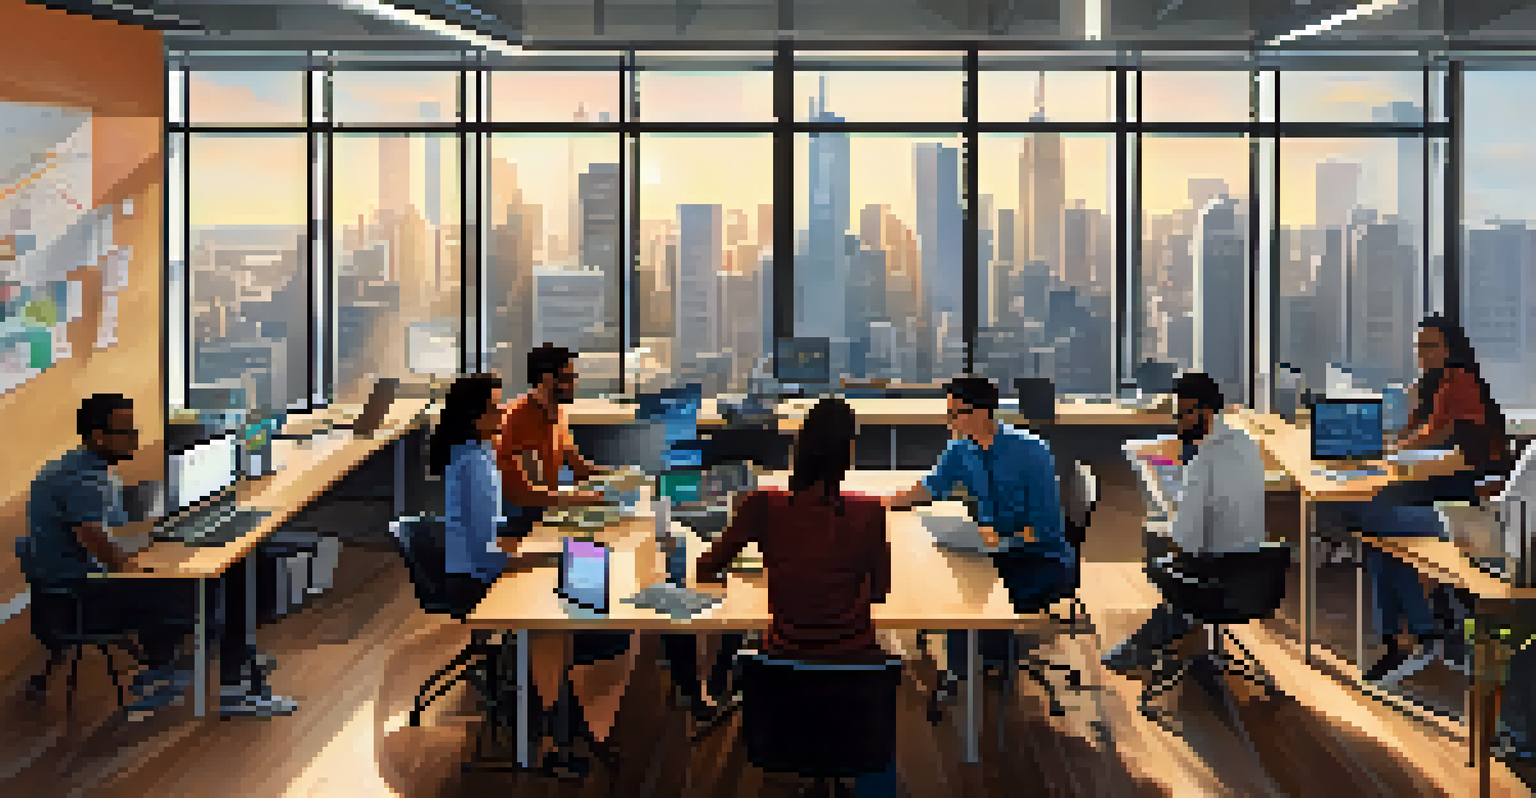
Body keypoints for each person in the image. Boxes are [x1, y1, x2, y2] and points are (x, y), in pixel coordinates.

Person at [22, 393, 297, 717]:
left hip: (77, 585)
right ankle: (235, 687)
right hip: (82, 599)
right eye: (126, 433)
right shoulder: (82, 482)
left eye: (135, 430)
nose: (135, 440)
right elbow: (110, 557)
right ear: (99, 436)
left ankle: (173, 665)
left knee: (235, 566)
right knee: (229, 578)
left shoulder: (79, 466)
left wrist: (158, 538)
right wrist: (165, 559)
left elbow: (111, 534)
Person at [696, 397, 899, 798]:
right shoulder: (869, 511)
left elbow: (706, 568)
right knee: (884, 671)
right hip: (855, 670)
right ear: (847, 454)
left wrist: (774, 565)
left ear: (799, 448)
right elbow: (880, 591)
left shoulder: (762, 505)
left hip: (781, 667)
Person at [1323, 315, 1513, 683]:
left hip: (1460, 501)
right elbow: (1419, 431)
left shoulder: (1459, 382)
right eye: (1419, 346)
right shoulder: (1435, 384)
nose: (1422, 353)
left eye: (1430, 346)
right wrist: (1392, 442)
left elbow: (1442, 439)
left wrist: (1391, 452)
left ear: (1449, 349)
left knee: (1371, 522)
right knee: (1380, 539)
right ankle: (1413, 636)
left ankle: (1413, 638)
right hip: (1439, 489)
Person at [882, 376, 1073, 720]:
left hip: (1038, 557)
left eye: (957, 413)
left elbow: (1046, 527)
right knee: (949, 574)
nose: (950, 422)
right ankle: (973, 661)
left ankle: (964, 674)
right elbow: (932, 486)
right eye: (948, 413)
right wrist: (884, 502)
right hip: (991, 548)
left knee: (965, 594)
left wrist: (1000, 540)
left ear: (983, 412)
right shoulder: (961, 448)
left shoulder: (1031, 451)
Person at [496, 343, 635, 776]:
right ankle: (559, 724)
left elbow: (577, 464)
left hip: (553, 519)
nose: (574, 383)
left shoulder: (557, 415)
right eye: (568, 377)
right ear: (546, 379)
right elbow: (521, 493)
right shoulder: (518, 419)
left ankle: (580, 699)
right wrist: (576, 498)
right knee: (582, 605)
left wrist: (619, 476)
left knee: (608, 582)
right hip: (524, 528)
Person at [1103, 371, 1267, 679]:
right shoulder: (1245, 442)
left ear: (1204, 412)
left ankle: (1152, 643)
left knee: (1157, 541)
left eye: (1182, 416)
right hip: (1255, 569)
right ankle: (1176, 631)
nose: (1178, 425)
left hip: (1218, 572)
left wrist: (1174, 508)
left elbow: (1185, 538)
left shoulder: (1203, 461)